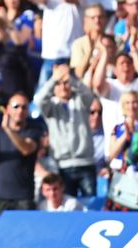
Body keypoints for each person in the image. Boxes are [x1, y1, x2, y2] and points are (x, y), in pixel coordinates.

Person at [34, 65, 96, 197]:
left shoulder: (81, 102)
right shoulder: (50, 107)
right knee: (68, 212)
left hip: (86, 163)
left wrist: (72, 79)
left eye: (66, 83)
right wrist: (53, 79)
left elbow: (89, 95)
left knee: (91, 209)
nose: (63, 87)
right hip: (62, 166)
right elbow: (39, 100)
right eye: (59, 84)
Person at [0, 94, 42, 211]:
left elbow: (26, 149)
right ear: (7, 109)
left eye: (24, 107)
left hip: (24, 197)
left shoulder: (33, 131)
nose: (20, 110)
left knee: (24, 229)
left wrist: (8, 129)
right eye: (16, 106)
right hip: (0, 196)